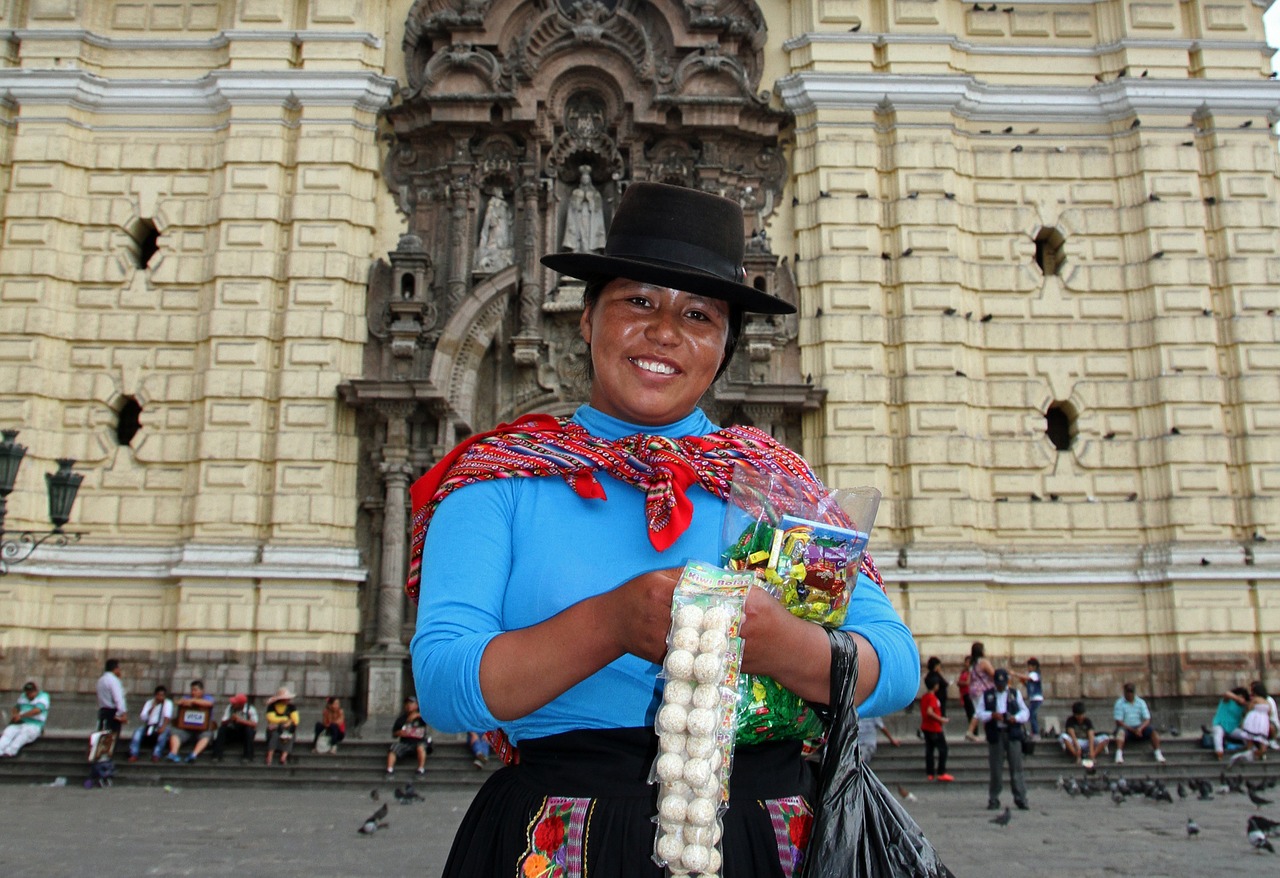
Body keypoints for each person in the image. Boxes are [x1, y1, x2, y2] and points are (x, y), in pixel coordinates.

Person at [409, 182, 920, 876]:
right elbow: (444, 685)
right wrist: (613, 624)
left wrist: (780, 644)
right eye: (638, 302)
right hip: (562, 840)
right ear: (586, 318)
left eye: (699, 315)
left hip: (764, 845)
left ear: (724, 345)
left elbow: (894, 665)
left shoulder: (776, 485)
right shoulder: (498, 481)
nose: (665, 332)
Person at [975, 667, 1030, 810]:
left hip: (1012, 733)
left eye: (1003, 683)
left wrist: (1014, 718)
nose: (1001, 686)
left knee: (1016, 768)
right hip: (996, 733)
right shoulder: (987, 695)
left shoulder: (1014, 694)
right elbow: (979, 713)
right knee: (996, 769)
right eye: (998, 684)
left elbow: (1025, 712)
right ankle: (994, 798)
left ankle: (1020, 797)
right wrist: (992, 715)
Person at [1112, 682, 1165, 764]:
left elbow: (1147, 718)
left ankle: (1158, 753)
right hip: (1126, 728)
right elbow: (1119, 721)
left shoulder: (1141, 702)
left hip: (1139, 727)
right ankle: (1119, 754)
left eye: (1131, 692)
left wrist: (1140, 728)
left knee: (1153, 732)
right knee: (1120, 733)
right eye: (1128, 692)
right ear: (1124, 692)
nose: (1129, 694)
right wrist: (1133, 730)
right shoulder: (1119, 703)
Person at [166, 680, 215, 763]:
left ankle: (193, 754)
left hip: (202, 729)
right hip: (186, 728)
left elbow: (209, 704)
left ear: (202, 691)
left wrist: (193, 701)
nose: (193, 692)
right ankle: (173, 753)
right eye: (192, 690)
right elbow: (179, 702)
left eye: (195, 690)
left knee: (207, 735)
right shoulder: (186, 697)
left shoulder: (208, 698)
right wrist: (189, 701)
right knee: (175, 732)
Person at [560, 164, 606, 253]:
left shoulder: (595, 194)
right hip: (579, 217)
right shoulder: (576, 193)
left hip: (590, 217)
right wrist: (579, 203)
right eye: (583, 179)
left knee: (588, 233)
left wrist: (590, 203)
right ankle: (577, 247)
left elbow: (598, 211)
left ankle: (590, 249)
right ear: (581, 180)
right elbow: (572, 209)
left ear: (589, 180)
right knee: (580, 233)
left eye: (587, 179)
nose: (585, 180)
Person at [0, 681, 50, 758]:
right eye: (27, 692)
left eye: (30, 692)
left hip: (35, 724)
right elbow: (16, 708)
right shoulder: (23, 696)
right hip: (20, 722)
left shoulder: (43, 696)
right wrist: (15, 715)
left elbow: (37, 710)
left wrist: (21, 715)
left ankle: (10, 752)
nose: (28, 695)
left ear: (36, 691)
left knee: (24, 734)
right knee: (8, 732)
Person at [387, 696, 431, 777]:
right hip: (405, 742)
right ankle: (389, 770)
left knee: (421, 747)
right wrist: (399, 733)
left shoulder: (421, 718)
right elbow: (394, 734)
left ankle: (420, 769)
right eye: (407, 703)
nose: (409, 705)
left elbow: (430, 717)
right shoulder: (401, 719)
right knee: (393, 748)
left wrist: (418, 715)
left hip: (419, 742)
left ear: (416, 705)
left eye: (411, 703)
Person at [127, 685, 173, 763]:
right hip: (150, 726)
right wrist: (152, 708)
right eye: (159, 695)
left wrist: (163, 727)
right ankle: (134, 754)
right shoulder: (149, 703)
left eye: (162, 695)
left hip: (161, 725)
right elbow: (143, 717)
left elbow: (167, 716)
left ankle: (156, 754)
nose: (160, 697)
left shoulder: (168, 703)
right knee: (137, 732)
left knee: (163, 735)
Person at [1058, 700, 1110, 769]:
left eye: (1082, 715)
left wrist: (1091, 751)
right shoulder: (1070, 720)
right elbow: (1072, 734)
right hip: (1075, 741)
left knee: (1105, 738)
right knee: (1063, 737)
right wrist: (1077, 747)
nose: (1080, 717)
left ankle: (1092, 756)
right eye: (1078, 715)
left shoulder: (1087, 721)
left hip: (1086, 741)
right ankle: (1077, 756)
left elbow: (1091, 735)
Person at [920, 673, 952, 782]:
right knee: (943, 749)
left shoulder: (924, 697)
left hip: (926, 726)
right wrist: (941, 719)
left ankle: (930, 773)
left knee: (929, 750)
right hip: (934, 727)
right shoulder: (932, 698)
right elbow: (930, 711)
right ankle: (941, 772)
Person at [474, 187, 514, 273]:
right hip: (495, 225)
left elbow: (508, 217)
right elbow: (488, 219)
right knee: (494, 237)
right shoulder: (492, 203)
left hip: (502, 224)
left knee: (503, 238)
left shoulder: (504, 205)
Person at [213, 693, 258, 763]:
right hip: (233, 731)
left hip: (244, 733)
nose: (233, 704)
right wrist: (230, 719)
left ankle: (248, 756)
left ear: (241, 704)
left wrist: (240, 720)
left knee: (248, 730)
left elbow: (254, 724)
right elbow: (223, 722)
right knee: (222, 729)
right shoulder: (230, 707)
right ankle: (217, 755)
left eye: (235, 703)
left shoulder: (250, 709)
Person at [964, 642, 995, 741]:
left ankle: (988, 733)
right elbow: (993, 674)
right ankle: (970, 731)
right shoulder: (983, 662)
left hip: (973, 690)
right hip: (983, 690)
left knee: (984, 711)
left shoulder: (973, 664)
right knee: (979, 711)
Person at [263, 688, 300, 766]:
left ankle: (284, 756)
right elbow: (271, 718)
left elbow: (295, 720)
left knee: (290, 734)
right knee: (275, 733)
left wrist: (288, 723)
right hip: (274, 729)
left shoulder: (291, 707)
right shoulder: (272, 706)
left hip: (286, 728)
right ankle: (270, 755)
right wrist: (284, 719)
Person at [95, 657, 127, 735]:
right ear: (115, 669)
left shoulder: (101, 680)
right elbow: (118, 699)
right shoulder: (114, 680)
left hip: (103, 712)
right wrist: (122, 713)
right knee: (111, 740)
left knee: (102, 739)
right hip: (113, 714)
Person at [1013, 657, 1044, 737]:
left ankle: (1035, 732)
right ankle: (1034, 731)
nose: (1028, 668)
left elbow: (1027, 677)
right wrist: (1023, 682)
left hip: (1036, 698)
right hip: (1033, 699)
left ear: (1034, 667)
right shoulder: (1033, 675)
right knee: (1032, 715)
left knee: (1032, 715)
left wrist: (1014, 674)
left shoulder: (1035, 674)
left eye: (1029, 666)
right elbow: (1028, 685)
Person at [957, 655, 973, 724]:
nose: (966, 664)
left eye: (968, 662)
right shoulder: (963, 672)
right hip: (963, 694)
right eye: (966, 662)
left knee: (971, 714)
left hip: (969, 694)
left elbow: (967, 682)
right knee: (968, 714)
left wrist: (960, 683)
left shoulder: (971, 672)